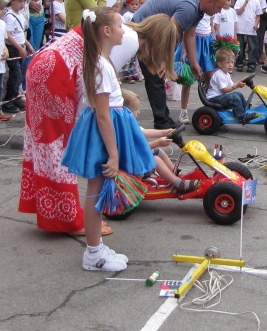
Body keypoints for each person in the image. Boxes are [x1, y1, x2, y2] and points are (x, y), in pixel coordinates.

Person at [19, 12, 178, 233]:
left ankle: (57, 212)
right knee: (57, 145)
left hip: (48, 67)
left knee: (47, 145)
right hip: (56, 74)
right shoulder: (129, 41)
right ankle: (69, 219)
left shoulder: (127, 36)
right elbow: (103, 96)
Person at [60, 9, 163, 271]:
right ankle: (93, 254)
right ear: (106, 31)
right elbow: (103, 115)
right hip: (102, 131)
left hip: (108, 127)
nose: (123, 30)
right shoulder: (99, 66)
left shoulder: (102, 62)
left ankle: (95, 247)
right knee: (95, 192)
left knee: (97, 190)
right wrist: (114, 154)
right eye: (119, 25)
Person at [132, 0, 227, 128]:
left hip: (153, 33)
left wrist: (194, 63)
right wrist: (164, 60)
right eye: (219, 7)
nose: (219, 11)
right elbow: (169, 33)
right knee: (156, 76)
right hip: (143, 32)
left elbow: (189, 35)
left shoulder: (198, 8)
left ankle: (164, 119)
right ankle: (162, 123)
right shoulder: (189, 7)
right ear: (210, 1)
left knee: (157, 78)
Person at [205, 48, 256, 121]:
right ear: (220, 64)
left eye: (232, 62)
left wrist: (241, 81)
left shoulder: (226, 74)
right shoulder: (219, 75)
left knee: (238, 94)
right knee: (234, 97)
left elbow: (232, 85)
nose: (230, 65)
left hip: (220, 96)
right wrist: (237, 85)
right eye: (227, 62)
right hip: (214, 98)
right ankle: (241, 116)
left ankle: (245, 109)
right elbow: (224, 90)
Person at [3, 0, 31, 112]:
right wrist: (19, 48)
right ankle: (9, 100)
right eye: (19, 1)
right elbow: (8, 35)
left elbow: (20, 34)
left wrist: (28, 46)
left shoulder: (20, 16)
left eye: (23, 1)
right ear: (12, 1)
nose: (22, 4)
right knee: (15, 75)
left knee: (19, 74)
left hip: (21, 46)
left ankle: (16, 97)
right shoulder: (9, 16)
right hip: (13, 48)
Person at [234, 0, 264, 73]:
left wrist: (256, 24)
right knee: (240, 46)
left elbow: (258, 15)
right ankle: (239, 62)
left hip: (251, 27)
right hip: (240, 27)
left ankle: (252, 63)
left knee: (253, 46)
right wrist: (245, 2)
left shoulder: (256, 1)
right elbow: (238, 11)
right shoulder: (240, 0)